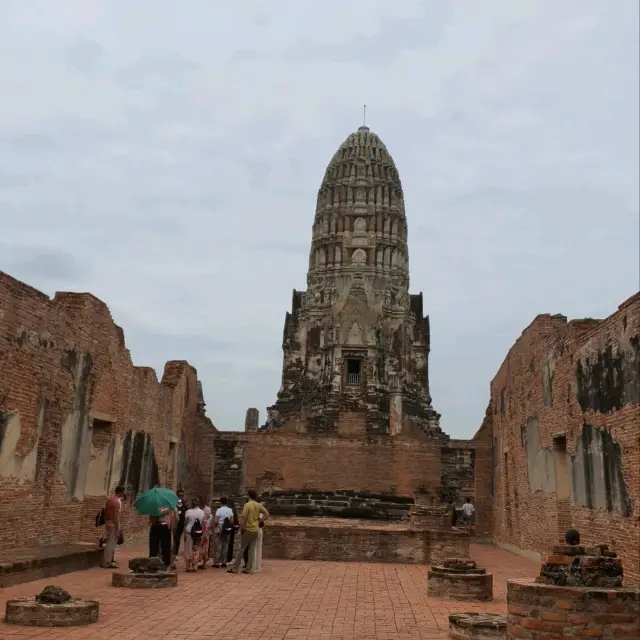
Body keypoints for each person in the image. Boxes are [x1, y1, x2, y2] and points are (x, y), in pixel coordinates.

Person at [228, 490, 269, 574]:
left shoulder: (247, 505)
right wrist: (260, 521)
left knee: (241, 548)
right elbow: (267, 514)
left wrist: (240, 529)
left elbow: (243, 519)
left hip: (248, 529)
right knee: (252, 549)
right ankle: (249, 568)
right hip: (255, 529)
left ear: (248, 496)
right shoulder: (258, 505)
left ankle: (235, 567)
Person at [102, 485, 125, 568]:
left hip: (108, 522)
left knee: (109, 542)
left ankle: (108, 560)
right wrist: (118, 528)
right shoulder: (116, 502)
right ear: (121, 492)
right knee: (111, 543)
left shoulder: (109, 499)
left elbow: (105, 512)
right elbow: (116, 517)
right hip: (112, 523)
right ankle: (106, 562)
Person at [184, 498, 205, 572]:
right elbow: (203, 522)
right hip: (198, 532)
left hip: (189, 531)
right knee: (196, 549)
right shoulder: (202, 512)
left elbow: (186, 522)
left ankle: (188, 566)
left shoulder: (188, 512)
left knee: (189, 549)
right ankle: (195, 565)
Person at [213, 497, 234, 568]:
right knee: (226, 545)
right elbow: (232, 520)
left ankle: (217, 562)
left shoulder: (219, 510)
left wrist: (217, 525)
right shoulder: (230, 510)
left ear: (220, 502)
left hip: (220, 527)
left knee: (218, 545)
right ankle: (224, 561)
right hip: (227, 528)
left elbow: (216, 520)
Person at [173, 489, 187, 558]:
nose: (181, 497)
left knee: (177, 538)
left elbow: (186, 512)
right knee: (173, 537)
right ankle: (172, 552)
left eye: (182, 495)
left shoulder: (184, 503)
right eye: (180, 495)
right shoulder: (174, 503)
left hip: (181, 523)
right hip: (174, 523)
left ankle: (175, 553)